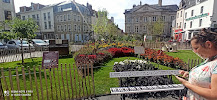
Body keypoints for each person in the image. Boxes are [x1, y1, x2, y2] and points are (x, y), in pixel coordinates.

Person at [175, 28, 217, 100]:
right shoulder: (210, 59)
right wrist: (191, 75)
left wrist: (186, 84)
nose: (195, 51)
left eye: (196, 48)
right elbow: (208, 77)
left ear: (208, 44)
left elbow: (214, 95)